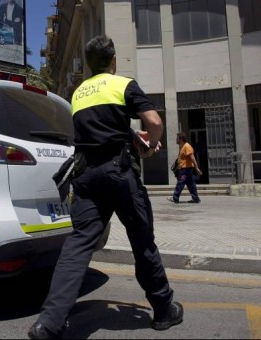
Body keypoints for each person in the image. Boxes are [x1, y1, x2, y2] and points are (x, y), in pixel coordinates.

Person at [28, 34, 183, 339]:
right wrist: (149, 146)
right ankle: (164, 310)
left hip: (86, 178)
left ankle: (48, 323)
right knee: (142, 242)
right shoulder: (122, 84)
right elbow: (154, 121)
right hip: (118, 173)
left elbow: (98, 129)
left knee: (77, 247)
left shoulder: (79, 93)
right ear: (113, 60)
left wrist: (128, 135)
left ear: (88, 64)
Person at [168, 132, 203, 204]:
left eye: (177, 138)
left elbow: (192, 158)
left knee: (180, 183)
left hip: (186, 170)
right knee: (191, 184)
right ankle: (195, 198)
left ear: (181, 139)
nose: (176, 139)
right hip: (186, 169)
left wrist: (197, 168)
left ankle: (175, 197)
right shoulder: (183, 147)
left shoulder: (187, 146)